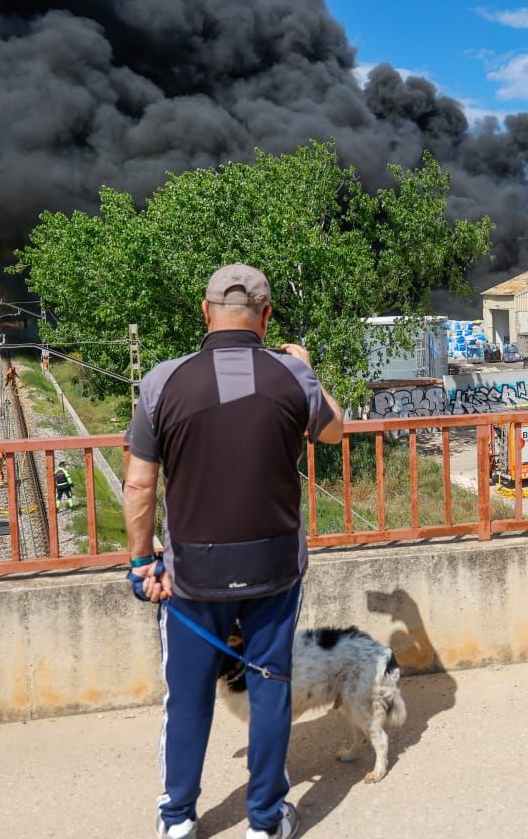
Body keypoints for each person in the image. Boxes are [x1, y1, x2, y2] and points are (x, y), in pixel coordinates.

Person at [125, 263, 345, 839]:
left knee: (189, 696)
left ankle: (177, 820)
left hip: (191, 575)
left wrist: (142, 562)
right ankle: (265, 821)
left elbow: (140, 484)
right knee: (271, 686)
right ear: (266, 317)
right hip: (274, 568)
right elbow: (335, 432)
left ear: (205, 312)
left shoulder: (162, 382)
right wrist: (308, 369)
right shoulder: (293, 377)